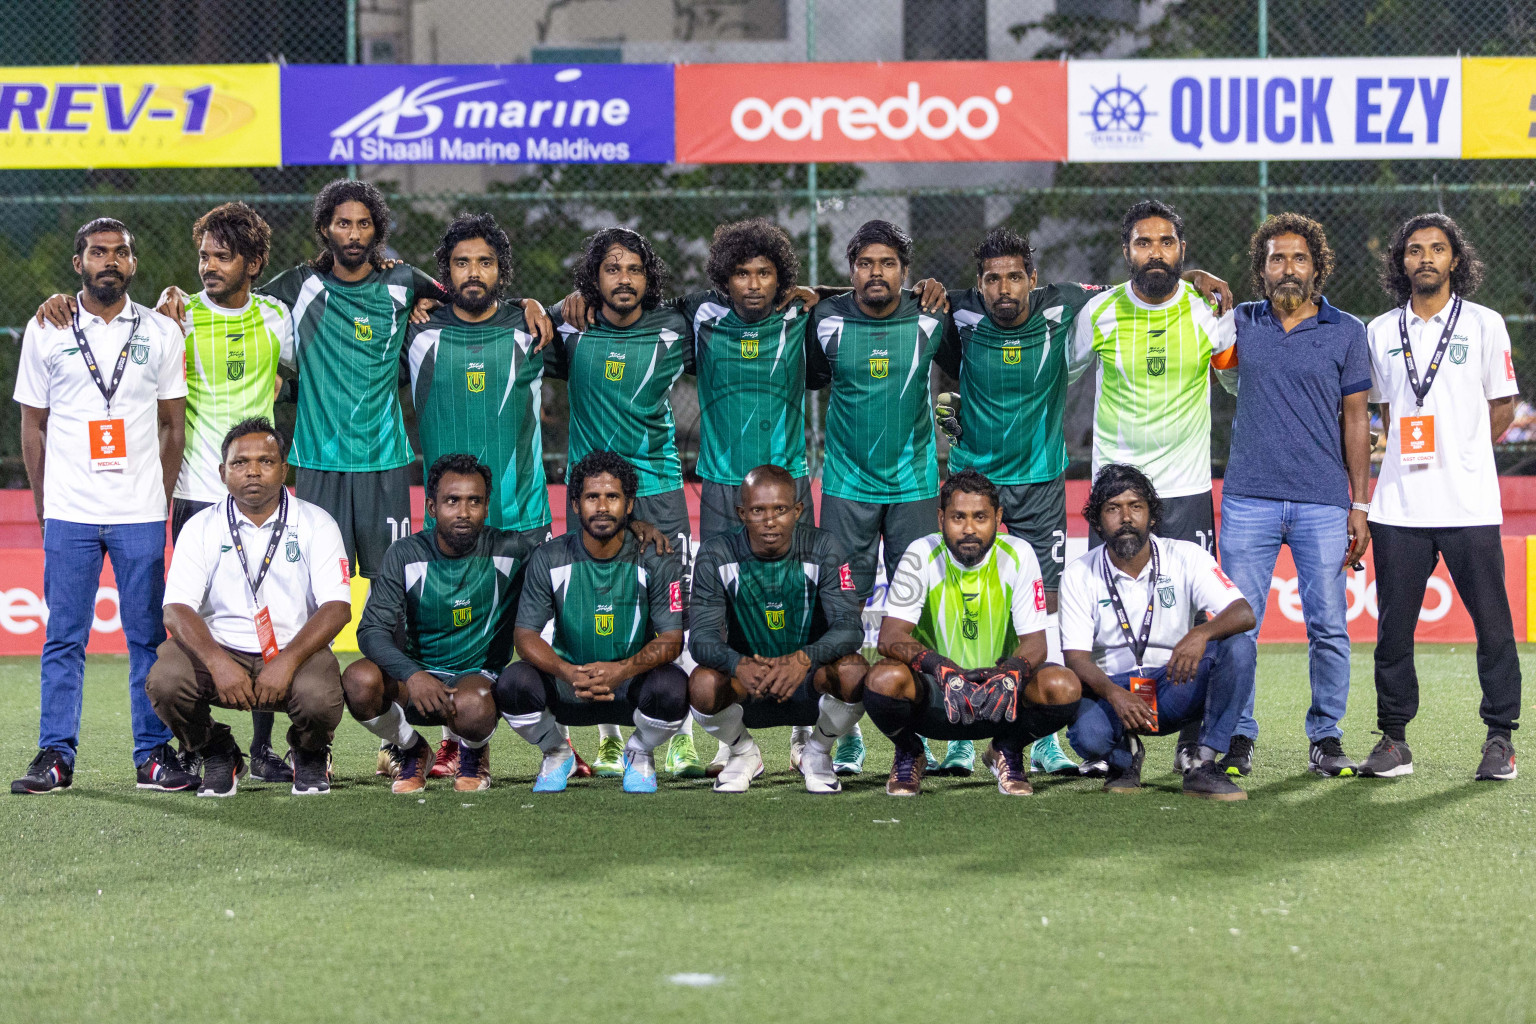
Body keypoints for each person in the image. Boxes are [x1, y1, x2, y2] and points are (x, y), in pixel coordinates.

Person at [11, 218, 199, 796]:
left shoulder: (163, 332)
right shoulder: (46, 328)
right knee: (64, 636)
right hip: (69, 509)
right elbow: (33, 426)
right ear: (78, 264)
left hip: (140, 511)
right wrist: (45, 504)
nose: (109, 261)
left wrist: (157, 495)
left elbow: (173, 424)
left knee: (146, 636)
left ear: (133, 264)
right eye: (97, 252)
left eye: (120, 252)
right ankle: (55, 756)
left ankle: (153, 756)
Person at [406, 213, 595, 780]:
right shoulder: (415, 329)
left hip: (522, 513)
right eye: (462, 262)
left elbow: (590, 310)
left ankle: (558, 744)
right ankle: (462, 742)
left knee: (544, 635)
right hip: (451, 520)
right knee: (450, 633)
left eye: (485, 262)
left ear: (501, 271)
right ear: (445, 272)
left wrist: (551, 304)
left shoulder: (531, 327)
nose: (473, 272)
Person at [1068, 200, 1239, 772]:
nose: (1155, 254)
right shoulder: (1100, 313)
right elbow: (1059, 376)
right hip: (1115, 495)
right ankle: (1114, 730)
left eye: (1166, 243)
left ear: (1181, 251)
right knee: (1103, 614)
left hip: (1185, 487)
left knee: (1198, 619)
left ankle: (1194, 742)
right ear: (1127, 252)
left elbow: (1235, 379)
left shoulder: (1207, 310)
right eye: (1144, 244)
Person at [1358, 213, 1521, 781]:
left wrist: (1464, 449)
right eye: (1414, 250)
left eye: (1437, 249)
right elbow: (1384, 413)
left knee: (1494, 628)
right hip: (1399, 506)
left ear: (1455, 259)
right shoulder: (1379, 331)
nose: (1425, 258)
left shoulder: (1484, 323)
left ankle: (1500, 739)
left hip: (1470, 504)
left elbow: (1502, 406)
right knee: (1392, 633)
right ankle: (1394, 740)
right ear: (1400, 262)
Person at [1213, 213, 1372, 778]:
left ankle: (1326, 736)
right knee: (1240, 625)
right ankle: (1238, 735)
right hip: (1249, 498)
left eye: (1299, 258)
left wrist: (1360, 504)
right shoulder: (1238, 324)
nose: (1288, 268)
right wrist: (1205, 279)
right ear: (1262, 269)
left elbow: (1357, 420)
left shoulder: (1347, 330)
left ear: (1317, 266)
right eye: (1276, 258)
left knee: (1329, 625)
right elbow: (1174, 296)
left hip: (1324, 501)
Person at [545, 228, 704, 779]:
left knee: (670, 610)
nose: (624, 279)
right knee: (591, 610)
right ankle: (609, 737)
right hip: (592, 494)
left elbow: (721, 303)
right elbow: (514, 318)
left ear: (648, 278)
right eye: (612, 269)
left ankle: (680, 739)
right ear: (594, 279)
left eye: (634, 269)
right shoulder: (568, 326)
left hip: (658, 487)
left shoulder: (675, 328)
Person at [147, 418, 351, 796]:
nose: (253, 471)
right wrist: (217, 662)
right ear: (223, 473)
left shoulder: (316, 523)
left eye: (266, 460)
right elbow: (176, 608)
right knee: (166, 680)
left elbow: (337, 607)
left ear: (283, 468)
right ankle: (217, 750)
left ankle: (308, 752)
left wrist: (287, 662)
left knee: (319, 698)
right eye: (240, 463)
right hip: (223, 650)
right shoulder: (200, 526)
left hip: (295, 650)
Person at [862, 469, 1084, 797]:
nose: (969, 528)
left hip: (1000, 698)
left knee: (1062, 686)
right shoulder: (921, 553)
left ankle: (1007, 749)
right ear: (940, 518)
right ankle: (910, 751)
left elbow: (1036, 643)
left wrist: (1009, 674)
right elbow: (890, 636)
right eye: (958, 517)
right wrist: (941, 667)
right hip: (938, 696)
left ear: (998, 517)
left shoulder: (1019, 553)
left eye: (980, 517)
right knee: (882, 679)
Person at [343, 454, 539, 794]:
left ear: (486, 506)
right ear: (432, 507)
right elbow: (371, 630)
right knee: (359, 681)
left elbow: (571, 553)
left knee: (474, 704)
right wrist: (413, 674)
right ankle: (411, 748)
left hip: (477, 682)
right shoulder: (405, 553)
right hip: (414, 683)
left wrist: (633, 533)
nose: (463, 512)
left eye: (474, 501)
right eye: (452, 501)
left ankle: (473, 754)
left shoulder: (512, 549)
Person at [495, 451, 689, 794]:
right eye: (592, 497)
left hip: (630, 685)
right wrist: (567, 672)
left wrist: (622, 671)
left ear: (629, 505)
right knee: (512, 684)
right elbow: (525, 635)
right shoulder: (549, 557)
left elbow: (672, 639)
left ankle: (640, 751)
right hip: (570, 686)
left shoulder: (655, 557)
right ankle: (557, 751)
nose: (602, 506)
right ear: (575, 505)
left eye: (612, 497)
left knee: (674, 688)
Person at [1060, 464, 1254, 800]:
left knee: (1239, 648)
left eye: (1136, 506)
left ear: (1152, 516)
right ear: (1097, 520)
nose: (1125, 518)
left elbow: (1243, 613)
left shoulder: (1186, 556)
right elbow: (1075, 657)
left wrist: (1200, 634)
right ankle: (1125, 758)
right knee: (1088, 735)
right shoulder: (1079, 573)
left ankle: (1203, 764)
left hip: (1174, 683)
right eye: (1113, 508)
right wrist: (1114, 694)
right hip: (1115, 688)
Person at [688, 465, 868, 793]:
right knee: (701, 685)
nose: (770, 520)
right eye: (758, 510)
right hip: (749, 686)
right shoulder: (716, 553)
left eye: (780, 509)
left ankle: (817, 751)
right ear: (742, 513)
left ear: (798, 510)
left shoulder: (824, 547)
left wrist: (803, 659)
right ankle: (743, 753)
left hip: (807, 684)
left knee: (856, 672)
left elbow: (850, 628)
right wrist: (739, 664)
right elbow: (701, 639)